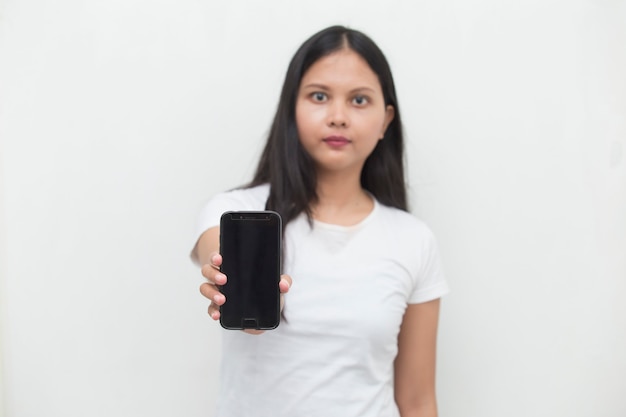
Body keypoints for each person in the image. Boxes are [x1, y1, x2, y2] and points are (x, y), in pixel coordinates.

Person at [190, 25, 449, 417]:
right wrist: (228, 280)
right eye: (319, 96)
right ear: (292, 109)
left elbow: (417, 401)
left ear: (385, 120)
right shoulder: (235, 211)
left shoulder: (413, 240)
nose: (338, 117)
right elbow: (215, 251)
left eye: (359, 100)